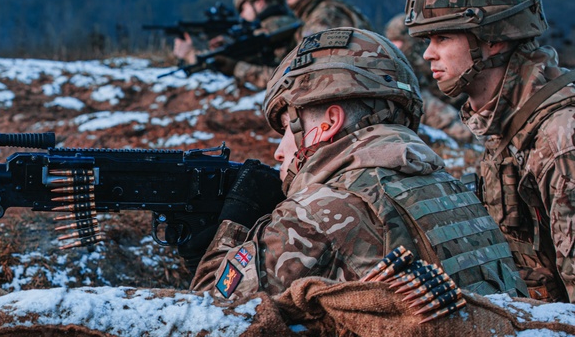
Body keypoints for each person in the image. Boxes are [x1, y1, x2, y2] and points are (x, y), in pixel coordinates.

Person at [180, 27, 526, 301]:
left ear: (329, 122)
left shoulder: (319, 214)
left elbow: (211, 310)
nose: (279, 151)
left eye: (288, 127)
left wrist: (235, 223)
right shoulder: (449, 188)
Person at [404, 0, 575, 301]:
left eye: (443, 39)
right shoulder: (508, 122)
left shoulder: (560, 138)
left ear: (493, 39)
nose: (428, 55)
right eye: (428, 41)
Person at [172, 0, 300, 89]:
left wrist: (190, 55)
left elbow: (275, 75)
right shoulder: (288, 25)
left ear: (260, 2)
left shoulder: (271, 30)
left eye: (243, 9)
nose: (242, 15)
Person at [384, 14, 473, 144]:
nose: (395, 47)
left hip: (446, 98)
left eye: (399, 42)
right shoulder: (396, 61)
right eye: (392, 42)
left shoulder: (426, 54)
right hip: (417, 97)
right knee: (460, 131)